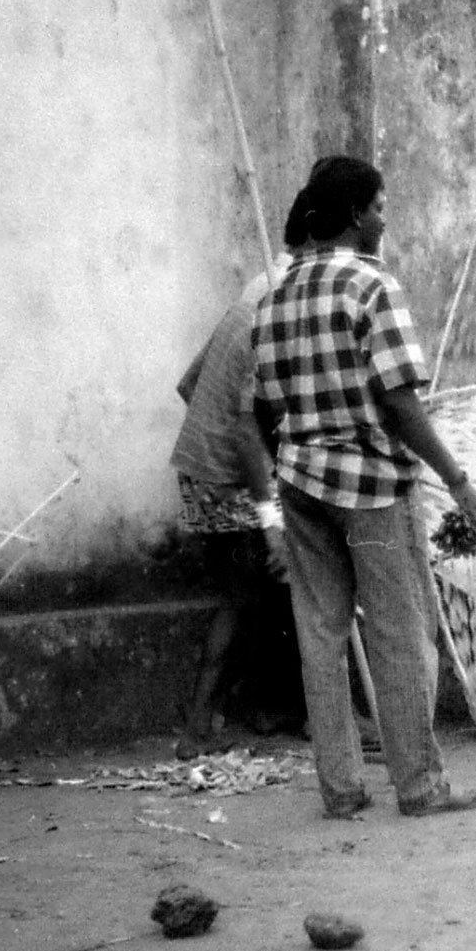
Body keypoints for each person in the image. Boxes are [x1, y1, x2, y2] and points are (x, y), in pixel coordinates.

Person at [251, 157, 476, 820]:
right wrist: (459, 480)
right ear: (356, 213)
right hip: (372, 489)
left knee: (320, 635)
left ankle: (342, 788)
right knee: (400, 632)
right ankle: (418, 785)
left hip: (301, 482)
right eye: (381, 207)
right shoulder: (371, 285)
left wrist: (301, 454)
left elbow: (264, 406)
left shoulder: (277, 294)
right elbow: (400, 400)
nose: (385, 220)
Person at [168, 195, 315, 760]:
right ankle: (199, 725)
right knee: (250, 594)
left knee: (266, 595)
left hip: (205, 471)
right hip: (231, 477)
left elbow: (190, 383)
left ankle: (275, 708)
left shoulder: (260, 284)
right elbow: (244, 422)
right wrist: (268, 513)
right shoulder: (283, 302)